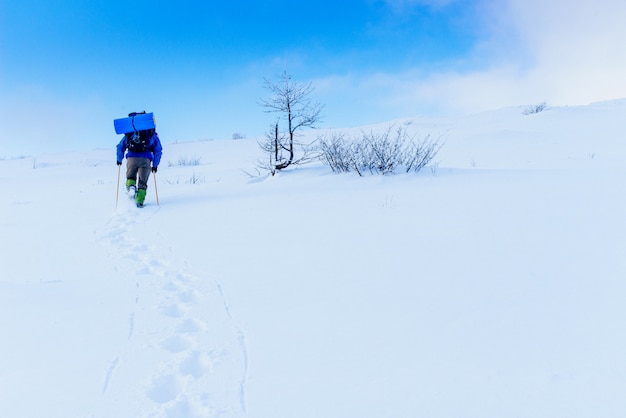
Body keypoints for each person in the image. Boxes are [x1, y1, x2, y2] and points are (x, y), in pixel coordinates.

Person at [116, 128, 163, 207]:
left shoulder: (130, 133)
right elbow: (158, 150)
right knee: (142, 182)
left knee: (130, 177)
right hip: (146, 159)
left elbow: (120, 146)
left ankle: (131, 187)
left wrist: (119, 159)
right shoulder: (151, 134)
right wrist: (155, 165)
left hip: (131, 158)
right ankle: (139, 201)